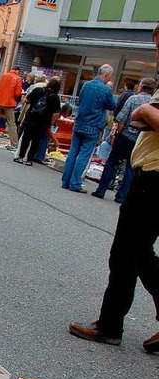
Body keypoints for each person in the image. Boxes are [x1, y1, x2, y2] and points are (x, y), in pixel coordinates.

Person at [68, 26, 159, 354]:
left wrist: (145, 110)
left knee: (131, 252)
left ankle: (109, 325)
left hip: (155, 178)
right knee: (134, 253)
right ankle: (110, 324)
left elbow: (142, 115)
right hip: (148, 174)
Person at [92, 78, 155, 203]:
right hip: (139, 140)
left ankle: (101, 190)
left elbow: (121, 118)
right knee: (130, 168)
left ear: (141, 87)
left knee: (112, 162)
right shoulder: (153, 104)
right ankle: (121, 196)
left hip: (125, 136)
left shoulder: (133, 99)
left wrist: (117, 133)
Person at [61, 64, 115, 193]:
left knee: (73, 151)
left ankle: (65, 181)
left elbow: (80, 102)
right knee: (84, 155)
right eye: (109, 77)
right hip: (93, 124)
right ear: (106, 75)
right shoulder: (106, 89)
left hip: (80, 122)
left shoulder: (86, 85)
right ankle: (75, 183)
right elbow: (111, 105)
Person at [15, 78, 61, 166]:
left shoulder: (38, 90)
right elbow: (56, 113)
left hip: (30, 118)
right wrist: (50, 122)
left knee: (26, 139)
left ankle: (21, 157)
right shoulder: (55, 98)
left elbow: (27, 100)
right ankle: (29, 160)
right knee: (36, 141)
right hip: (42, 123)